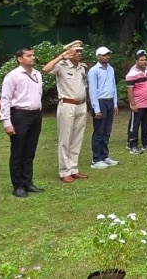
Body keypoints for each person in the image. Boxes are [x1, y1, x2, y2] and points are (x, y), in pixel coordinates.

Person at [0, 47, 43, 198]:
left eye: (33, 55)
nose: (33, 58)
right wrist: (7, 122)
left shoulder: (37, 74)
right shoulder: (13, 76)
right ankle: (18, 185)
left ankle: (28, 182)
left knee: (30, 150)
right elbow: (5, 99)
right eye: (29, 56)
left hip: (35, 114)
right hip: (20, 114)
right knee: (18, 151)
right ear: (20, 58)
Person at [43, 40, 88, 184]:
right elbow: (45, 69)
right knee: (65, 139)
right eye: (76, 51)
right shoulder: (61, 66)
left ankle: (73, 168)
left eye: (80, 51)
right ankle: (64, 171)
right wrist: (61, 57)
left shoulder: (82, 67)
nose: (79, 53)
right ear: (69, 52)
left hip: (81, 105)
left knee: (77, 137)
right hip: (67, 105)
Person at [87, 47, 119, 170]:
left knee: (107, 131)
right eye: (104, 55)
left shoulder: (110, 69)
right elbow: (92, 90)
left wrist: (115, 103)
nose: (107, 57)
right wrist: (96, 108)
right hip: (100, 101)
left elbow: (113, 86)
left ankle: (104, 155)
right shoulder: (94, 71)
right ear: (98, 57)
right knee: (99, 131)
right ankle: (96, 159)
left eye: (108, 55)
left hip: (110, 100)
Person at [125, 50, 147, 154]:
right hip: (138, 104)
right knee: (135, 125)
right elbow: (130, 89)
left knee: (146, 124)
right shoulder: (132, 73)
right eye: (141, 60)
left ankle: (146, 143)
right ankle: (132, 144)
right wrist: (133, 103)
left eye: (145, 59)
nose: (144, 62)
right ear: (136, 61)